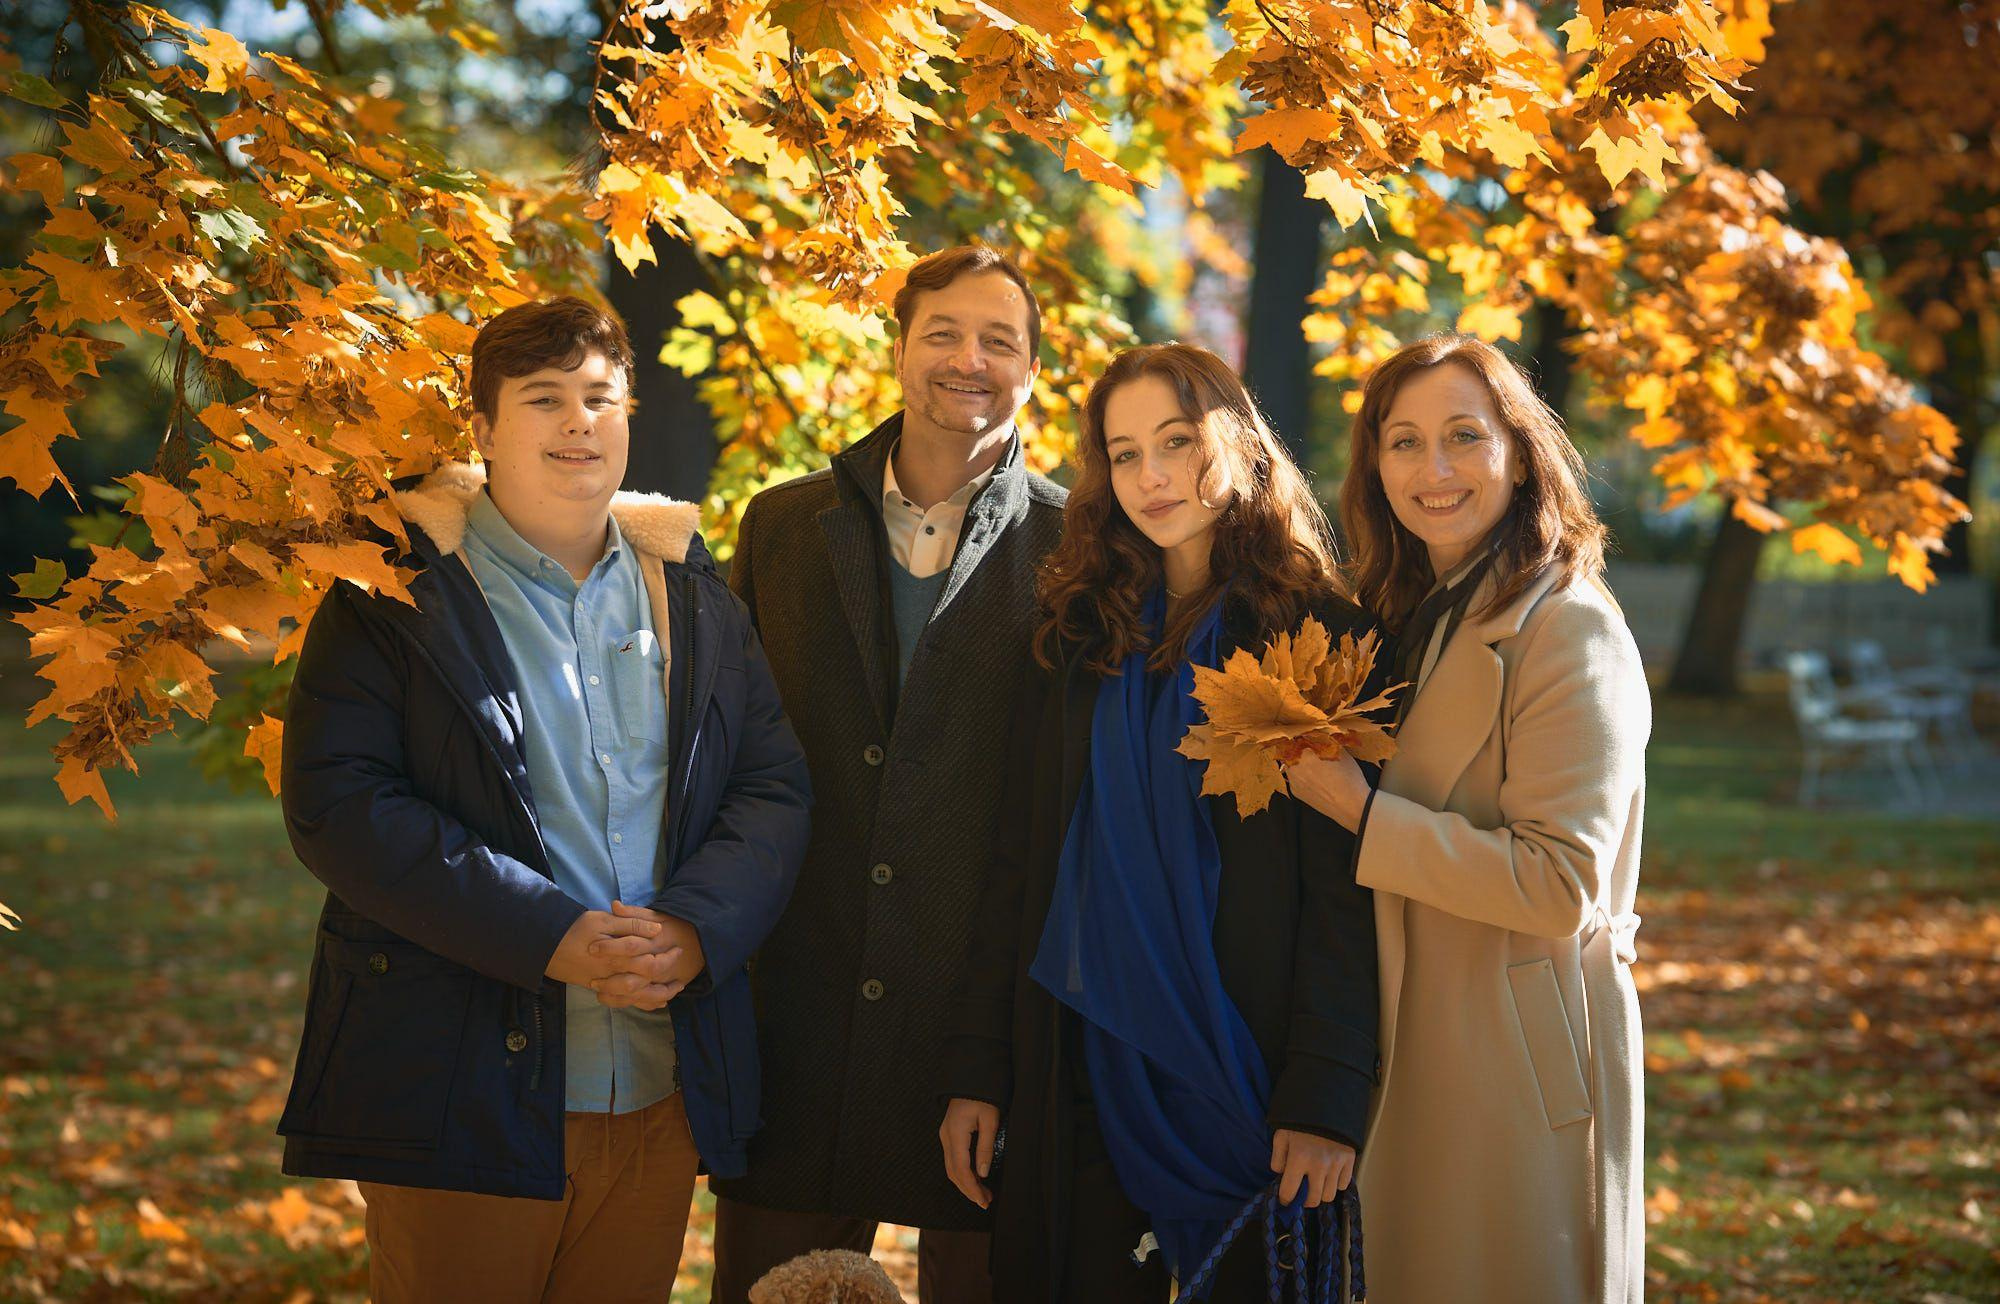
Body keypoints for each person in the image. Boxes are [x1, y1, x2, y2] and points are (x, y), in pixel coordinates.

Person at [277, 297, 812, 1303]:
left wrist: (698, 928)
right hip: (458, 1090)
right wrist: (550, 933)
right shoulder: (390, 591)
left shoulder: (693, 594)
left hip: (657, 1089)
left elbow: (769, 784)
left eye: (599, 397)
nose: (578, 421)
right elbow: (337, 803)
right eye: (544, 398)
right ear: (482, 427)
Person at [939, 343, 1380, 1302]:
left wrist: (1327, 1095)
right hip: (1080, 1055)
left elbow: (1354, 891)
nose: (1152, 476)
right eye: (1124, 452)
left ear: (1238, 441)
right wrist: (981, 1068)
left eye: (1176, 442)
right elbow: (1016, 864)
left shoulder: (1320, 631)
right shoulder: (1076, 635)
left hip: (1249, 1069)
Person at [713, 246, 1068, 1303]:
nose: (969, 359)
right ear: (899, 347)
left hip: (988, 1026)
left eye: (999, 340)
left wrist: (1005, 1052)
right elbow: (728, 758)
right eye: (943, 333)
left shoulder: (1082, 544)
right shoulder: (780, 526)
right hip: (799, 1022)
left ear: (1035, 370)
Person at [1283, 333, 1649, 1303]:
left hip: (1512, 1060)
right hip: (1416, 1037)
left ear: (1519, 453)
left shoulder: (1566, 625)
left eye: (1461, 436)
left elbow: (1557, 884)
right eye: (1401, 442)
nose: (1431, 469)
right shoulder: (1408, 611)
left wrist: (1364, 818)